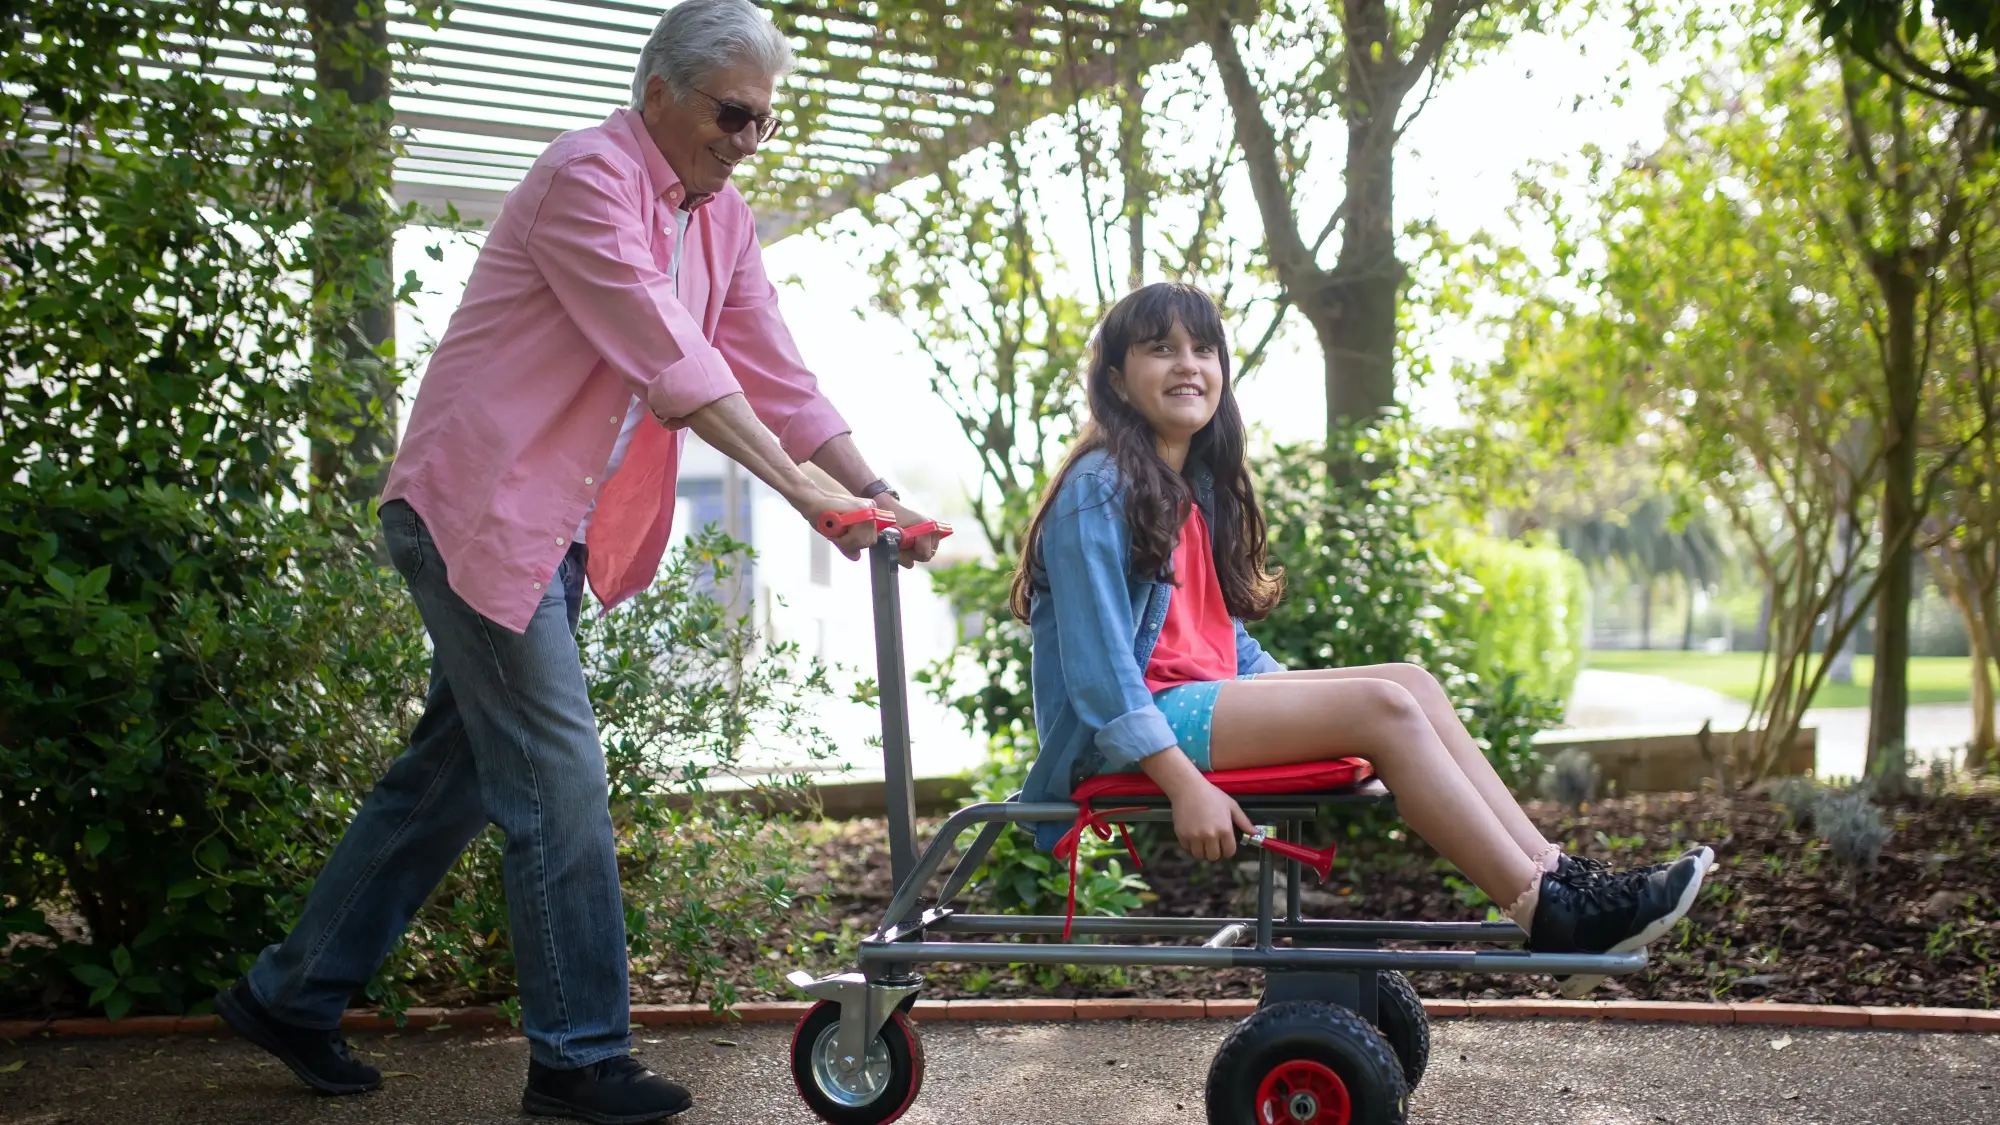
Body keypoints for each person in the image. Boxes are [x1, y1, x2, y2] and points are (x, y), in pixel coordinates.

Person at [212, 3, 941, 1121]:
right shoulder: (585, 180)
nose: (748, 139)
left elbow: (770, 366)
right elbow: (669, 357)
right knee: (557, 781)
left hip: (548, 527)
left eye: (764, 122)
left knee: (446, 782)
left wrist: (868, 486)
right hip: (474, 512)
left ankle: (293, 992)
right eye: (731, 114)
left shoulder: (719, 217)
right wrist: (803, 494)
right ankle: (577, 1060)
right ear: (658, 92)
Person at [1010, 282, 1713, 994]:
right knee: (1382, 708)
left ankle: (1562, 881)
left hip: (1188, 702)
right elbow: (1101, 672)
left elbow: (1226, 648)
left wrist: (1313, 706)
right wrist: (1182, 784)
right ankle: (1547, 915)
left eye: (1203, 348)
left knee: (1408, 683)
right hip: (1132, 731)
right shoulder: (1098, 490)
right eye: (1159, 348)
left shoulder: (1192, 486)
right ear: (1117, 382)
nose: (1187, 364)